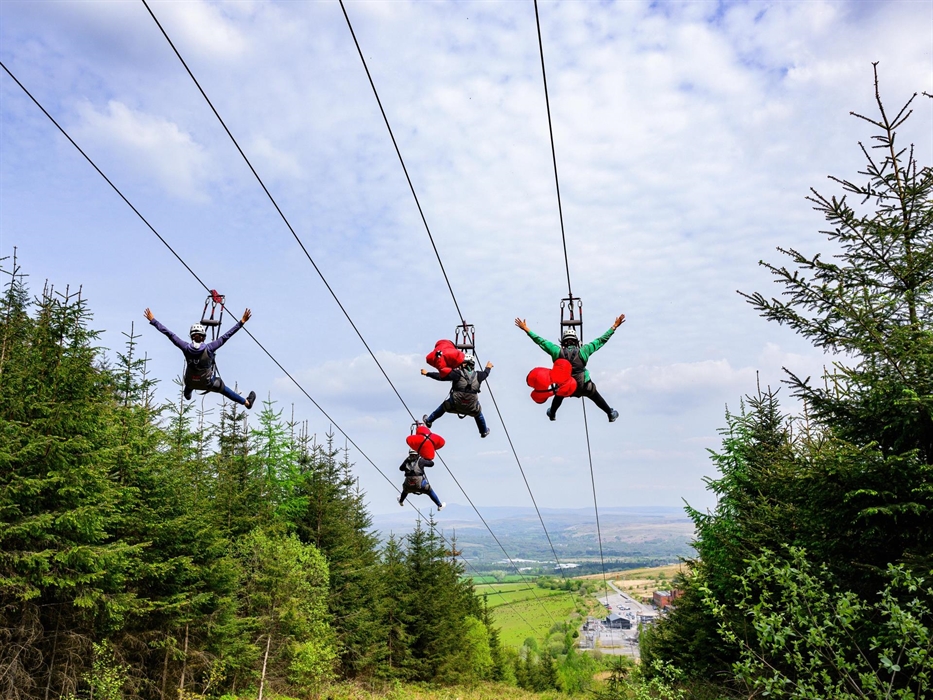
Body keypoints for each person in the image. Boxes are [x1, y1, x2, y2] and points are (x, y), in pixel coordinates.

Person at [514, 313, 625, 422]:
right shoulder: (584, 350)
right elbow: (601, 340)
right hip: (584, 386)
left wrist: (526, 329)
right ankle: (610, 413)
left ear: (563, 342)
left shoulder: (557, 351)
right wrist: (614, 326)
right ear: (577, 342)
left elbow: (541, 341)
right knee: (595, 396)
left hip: (565, 387)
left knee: (559, 392)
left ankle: (552, 413)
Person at [144, 307, 256, 409]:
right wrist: (241, 322)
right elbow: (226, 336)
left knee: (190, 382)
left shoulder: (185, 347)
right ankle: (247, 403)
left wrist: (153, 320)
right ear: (203, 337)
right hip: (207, 383)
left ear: (192, 336)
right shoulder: (210, 348)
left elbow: (170, 334)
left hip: (190, 382)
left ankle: (187, 394)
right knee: (223, 388)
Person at [421, 354, 493, 438]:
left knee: (444, 406)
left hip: (455, 404)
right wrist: (488, 367)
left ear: (465, 364)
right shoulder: (479, 375)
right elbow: (486, 373)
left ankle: (429, 420)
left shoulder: (457, 374)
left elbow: (441, 376)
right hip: (471, 407)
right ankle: (483, 431)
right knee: (478, 413)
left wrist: (427, 373)